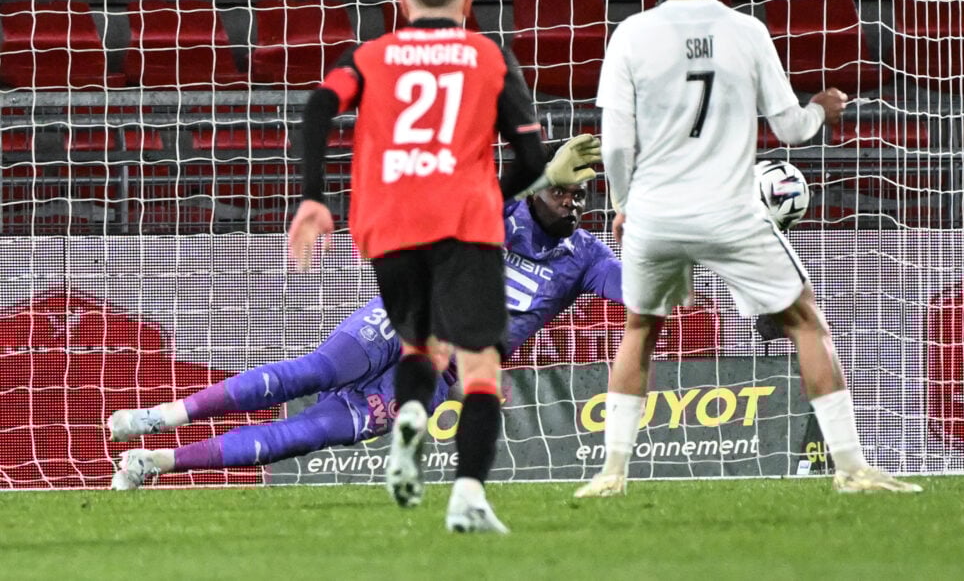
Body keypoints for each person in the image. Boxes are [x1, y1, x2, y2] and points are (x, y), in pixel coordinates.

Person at [574, 0, 922, 498]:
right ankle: (852, 468)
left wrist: (622, 202)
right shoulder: (747, 31)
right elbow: (789, 129)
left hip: (655, 213)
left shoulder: (630, 34)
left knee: (639, 329)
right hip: (730, 213)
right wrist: (822, 110)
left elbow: (614, 142)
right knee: (806, 321)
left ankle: (612, 473)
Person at [286, 0, 574, 533]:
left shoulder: (373, 54)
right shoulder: (486, 57)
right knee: (479, 364)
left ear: (402, 4)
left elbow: (318, 106)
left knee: (421, 346)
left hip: (388, 224)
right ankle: (467, 494)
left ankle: (411, 414)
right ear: (467, 3)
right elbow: (533, 156)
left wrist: (313, 195)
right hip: (463, 223)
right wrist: (491, 194)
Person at [107, 176, 621, 496]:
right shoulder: (500, 210)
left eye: (578, 195)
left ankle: (153, 463)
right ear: (537, 186)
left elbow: (643, 292)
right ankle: (159, 418)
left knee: (308, 434)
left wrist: (636, 238)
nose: (570, 202)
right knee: (313, 372)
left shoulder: (587, 259)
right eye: (559, 189)